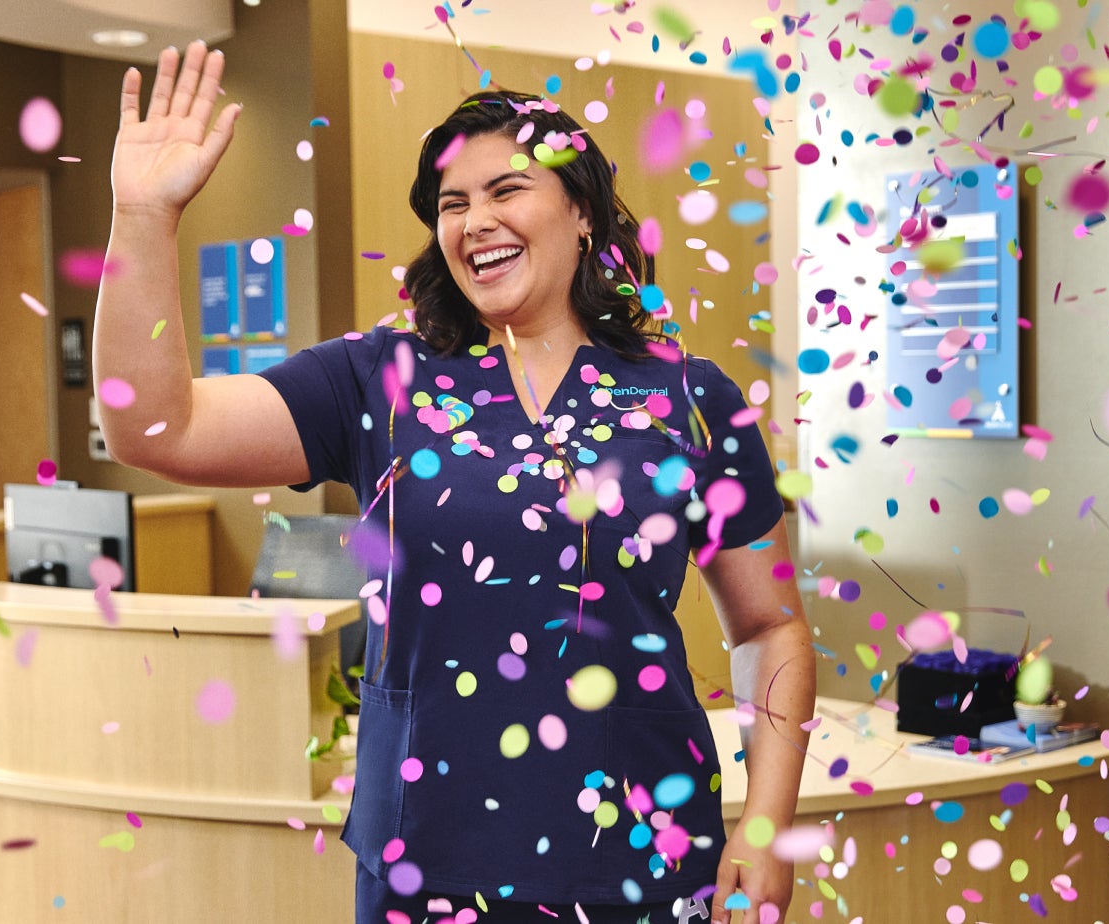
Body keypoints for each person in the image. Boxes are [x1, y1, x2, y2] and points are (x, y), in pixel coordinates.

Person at [95, 40, 816, 924]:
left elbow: (771, 627)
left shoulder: (689, 397)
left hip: (641, 857)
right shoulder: (378, 380)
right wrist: (142, 216)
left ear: (582, 209)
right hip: (428, 864)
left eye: (507, 190)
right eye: (452, 203)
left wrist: (767, 822)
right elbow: (153, 426)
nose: (476, 221)